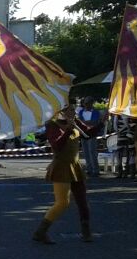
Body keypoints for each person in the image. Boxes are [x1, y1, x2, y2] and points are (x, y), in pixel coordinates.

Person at [33, 109, 91, 243]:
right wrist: (68, 131)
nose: (73, 112)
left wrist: (102, 121)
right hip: (61, 166)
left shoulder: (74, 121)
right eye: (70, 109)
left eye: (73, 109)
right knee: (62, 202)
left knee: (82, 201)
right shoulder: (52, 124)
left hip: (75, 166)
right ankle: (40, 232)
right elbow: (57, 145)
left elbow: (89, 133)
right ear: (61, 111)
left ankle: (86, 231)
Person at [76, 96, 104, 178]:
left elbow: (94, 122)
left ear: (91, 103)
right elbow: (79, 122)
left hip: (92, 134)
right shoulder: (81, 112)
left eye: (88, 103)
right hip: (83, 134)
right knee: (86, 153)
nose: (86, 105)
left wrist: (84, 123)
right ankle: (89, 169)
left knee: (92, 152)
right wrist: (87, 123)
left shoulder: (95, 112)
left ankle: (96, 169)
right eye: (85, 103)